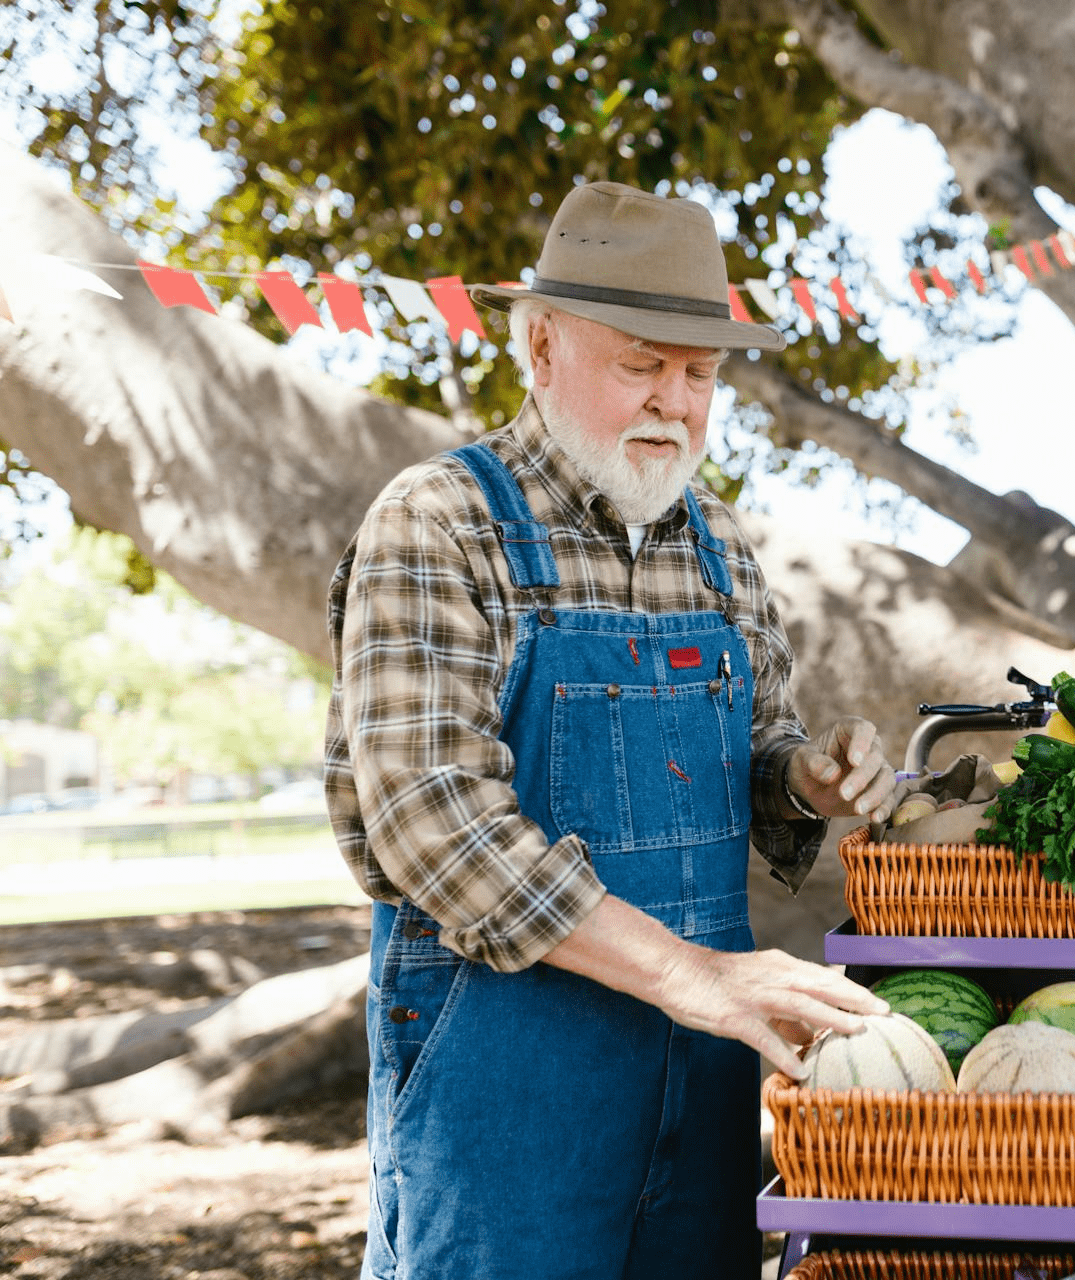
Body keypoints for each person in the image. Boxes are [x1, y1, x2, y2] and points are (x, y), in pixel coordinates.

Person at [322, 180, 896, 1279]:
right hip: (502, 1098)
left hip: (706, 1086)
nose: (676, 403)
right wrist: (698, 976)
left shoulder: (718, 541)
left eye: (701, 374)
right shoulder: (437, 522)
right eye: (642, 362)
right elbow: (435, 826)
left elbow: (759, 750)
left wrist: (806, 778)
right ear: (540, 346)